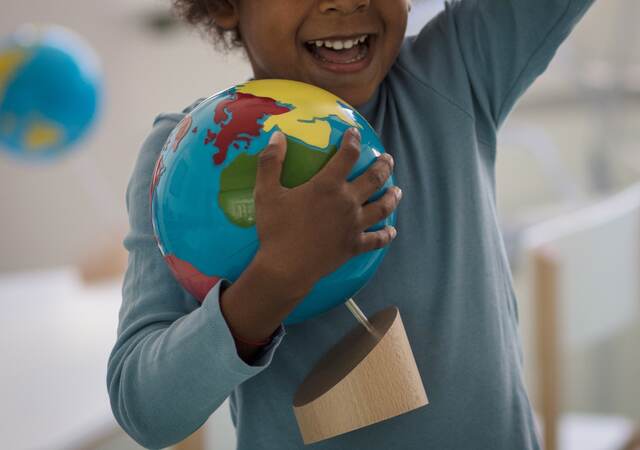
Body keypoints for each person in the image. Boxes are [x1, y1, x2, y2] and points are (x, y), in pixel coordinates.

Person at [107, 1, 595, 448]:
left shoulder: (454, 72)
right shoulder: (183, 155)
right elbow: (147, 411)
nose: (346, 1)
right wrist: (276, 279)